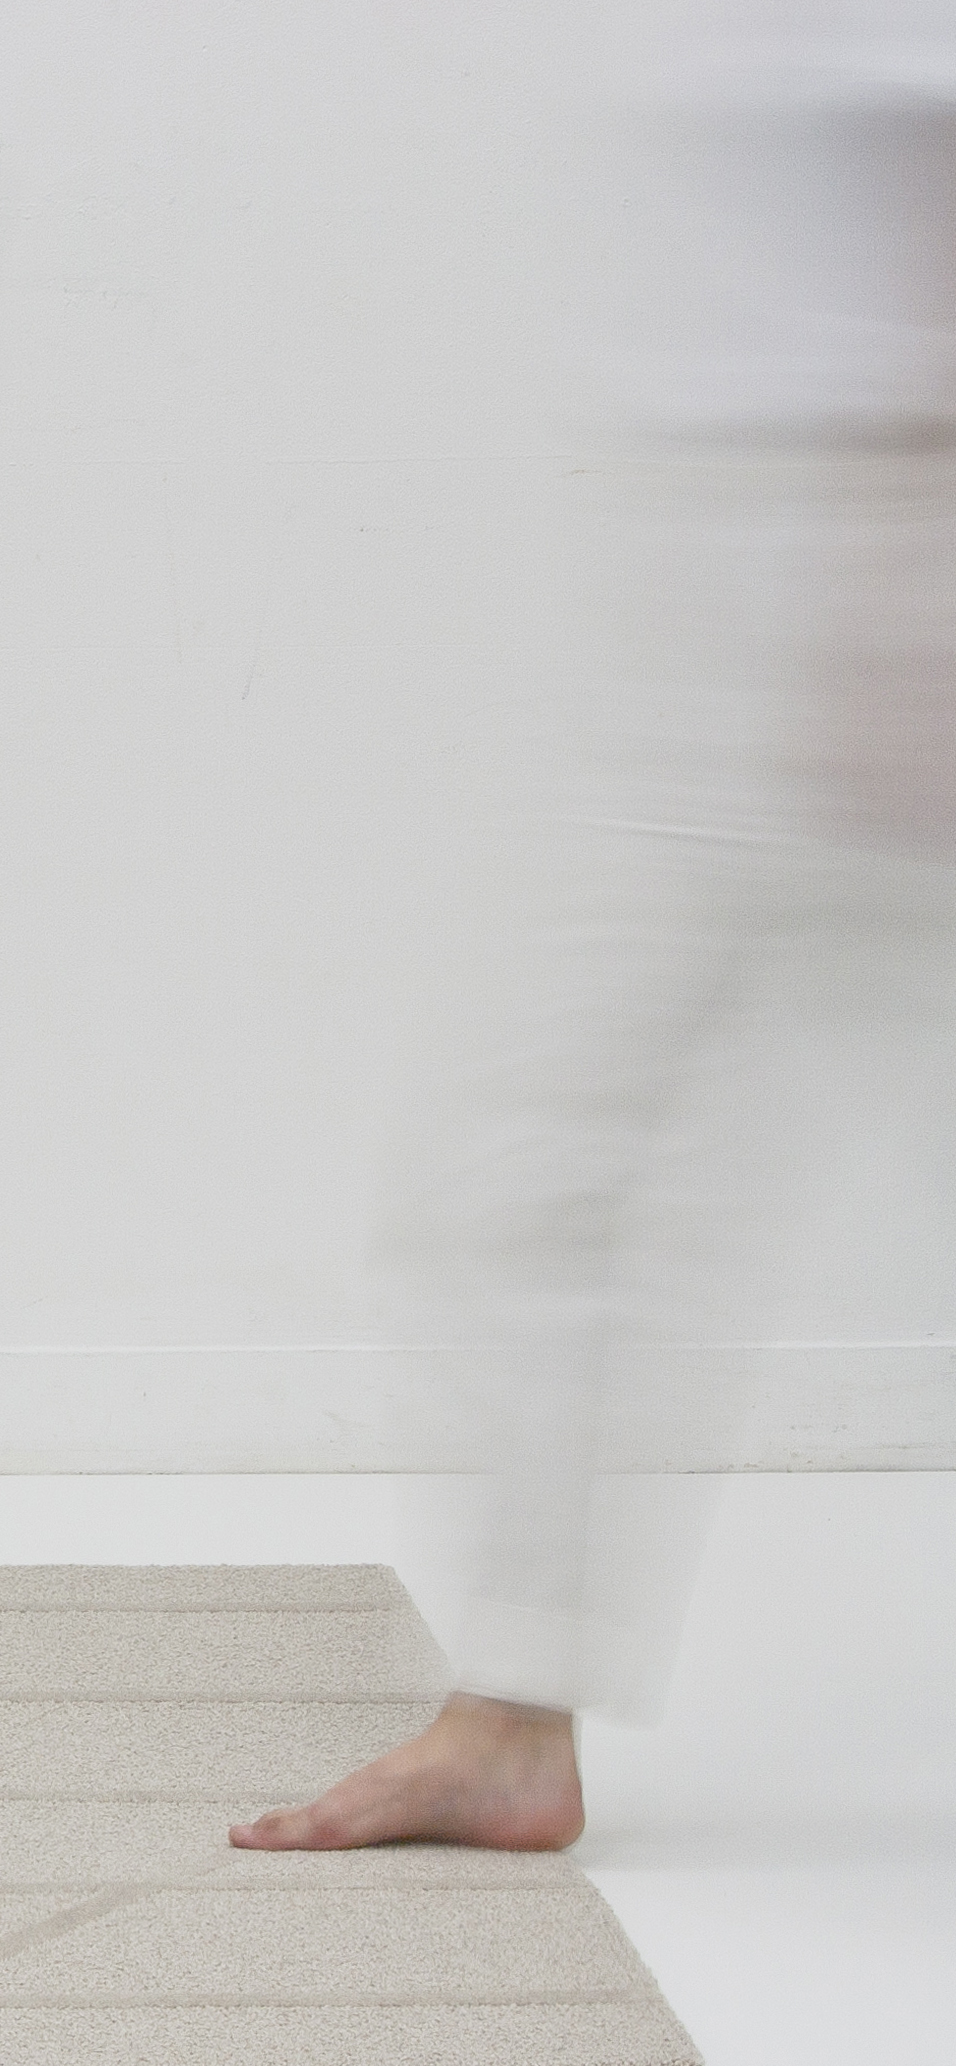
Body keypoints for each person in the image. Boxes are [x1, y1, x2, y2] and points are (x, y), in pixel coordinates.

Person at [237, 0, 956, 1852]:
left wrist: (893, 601)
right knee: (518, 1176)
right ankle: (509, 1720)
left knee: (524, 1166)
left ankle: (510, 1719)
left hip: (848, 569)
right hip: (729, 575)